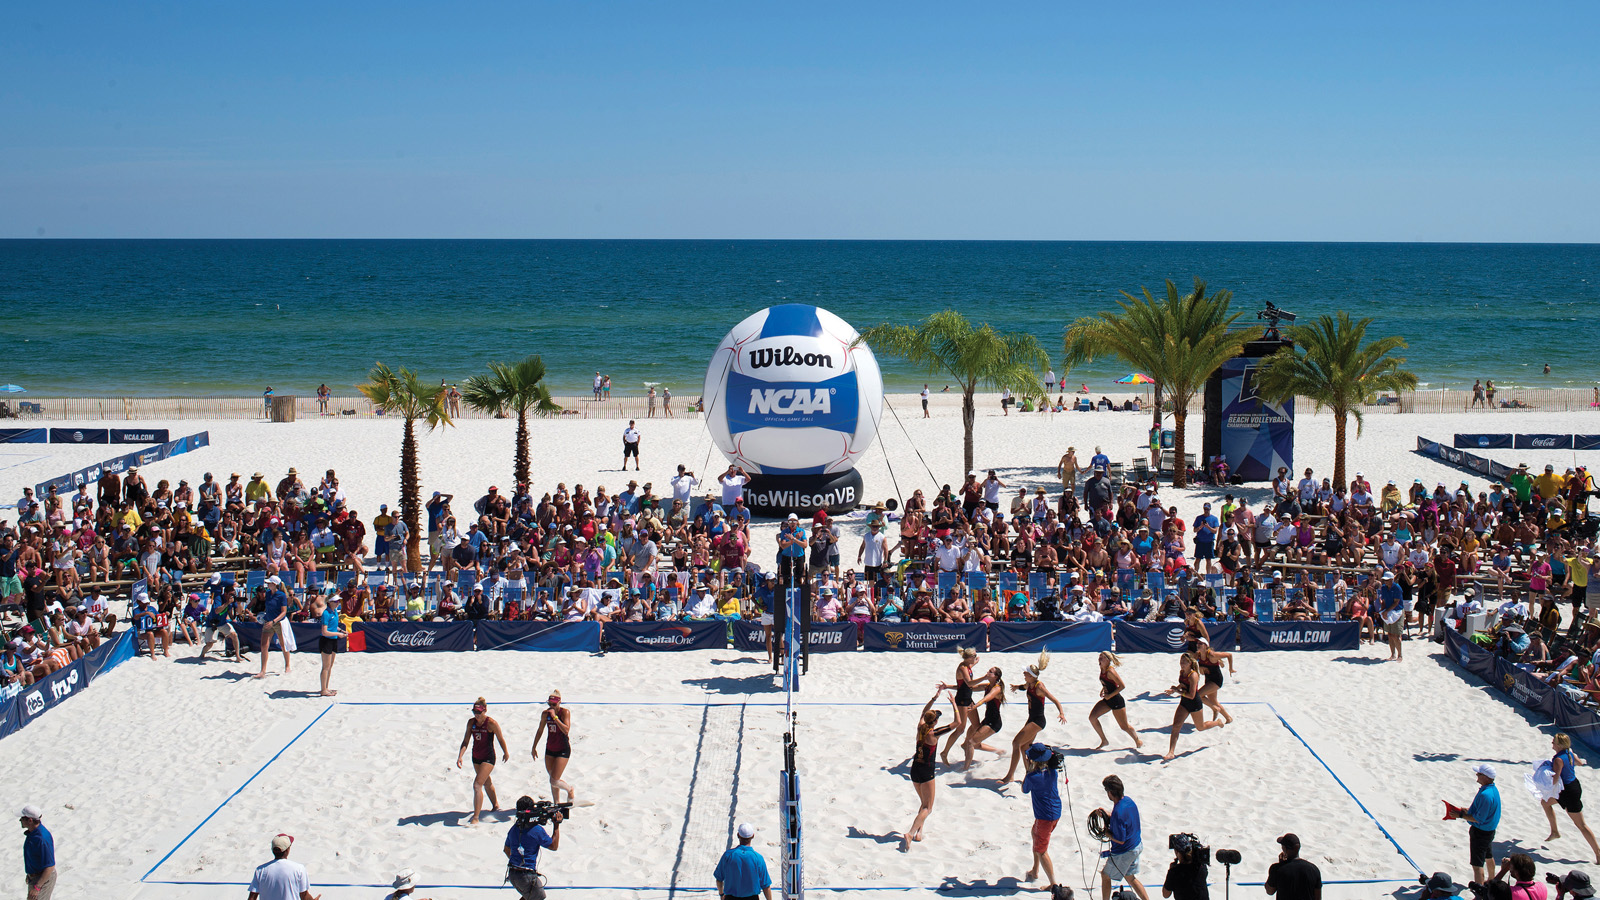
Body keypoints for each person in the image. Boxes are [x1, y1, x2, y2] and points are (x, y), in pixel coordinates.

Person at [903, 686, 958, 850]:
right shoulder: (933, 734)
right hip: (927, 772)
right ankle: (911, 833)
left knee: (923, 803)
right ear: (934, 722)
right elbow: (958, 723)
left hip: (914, 770)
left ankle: (919, 832)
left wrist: (935, 697)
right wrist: (954, 704)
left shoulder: (921, 727)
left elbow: (923, 713)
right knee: (928, 807)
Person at [1001, 652, 1067, 784]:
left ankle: (1010, 776)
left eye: (1025, 673)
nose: (1023, 674)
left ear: (1031, 676)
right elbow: (1023, 686)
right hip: (1031, 719)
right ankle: (1030, 773)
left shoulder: (1039, 687)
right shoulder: (1030, 684)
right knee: (1024, 747)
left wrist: (1061, 713)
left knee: (1016, 743)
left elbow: (1055, 700)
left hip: (1038, 721)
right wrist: (1016, 687)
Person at [1545, 734, 1600, 864]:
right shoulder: (1569, 752)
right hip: (1573, 786)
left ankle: (1598, 853)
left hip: (1568, 791)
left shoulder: (1558, 759)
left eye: (1554, 741)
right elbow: (1579, 763)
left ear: (1558, 745)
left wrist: (1543, 777)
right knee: (1545, 802)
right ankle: (1554, 831)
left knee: (1581, 825)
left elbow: (1555, 779)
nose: (1552, 743)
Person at [457, 697, 510, 825]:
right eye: (474, 712)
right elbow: (466, 741)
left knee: (477, 785)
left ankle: (476, 817)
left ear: (484, 711)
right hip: (476, 757)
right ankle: (496, 805)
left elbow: (500, 738)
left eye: (479, 712)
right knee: (486, 782)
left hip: (488, 758)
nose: (476, 715)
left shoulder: (491, 723)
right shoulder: (471, 723)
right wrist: (460, 756)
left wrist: (505, 752)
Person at [1446, 764, 1501, 885]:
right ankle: (1492, 880)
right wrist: (1466, 811)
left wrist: (1460, 815)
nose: (1476, 775)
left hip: (1480, 832)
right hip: (1489, 830)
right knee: (1488, 856)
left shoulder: (1485, 795)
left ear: (1486, 777)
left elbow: (1478, 818)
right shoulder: (1492, 789)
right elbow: (1484, 812)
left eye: (1479, 774)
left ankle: (1480, 892)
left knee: (1477, 865)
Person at [1162, 653, 1224, 761]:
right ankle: (1171, 752)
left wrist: (1178, 692)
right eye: (1181, 662)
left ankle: (1217, 722)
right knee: (1176, 726)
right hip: (1184, 703)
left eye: (1184, 662)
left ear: (1190, 663)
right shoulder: (1182, 672)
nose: (1182, 664)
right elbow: (1182, 685)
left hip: (1194, 703)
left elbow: (1191, 695)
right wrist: (1174, 689)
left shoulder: (1193, 675)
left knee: (1200, 727)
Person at [1097, 775, 1149, 900]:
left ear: (1110, 792)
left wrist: (1107, 834)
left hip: (1125, 851)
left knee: (1105, 875)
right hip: (1136, 845)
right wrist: (1107, 814)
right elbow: (1123, 819)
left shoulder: (1118, 813)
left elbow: (1120, 839)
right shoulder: (1128, 801)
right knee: (1130, 877)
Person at [1021, 743, 1063, 891]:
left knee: (1042, 850)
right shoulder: (1053, 772)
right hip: (1055, 812)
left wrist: (1028, 770)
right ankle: (1035, 870)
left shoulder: (1032, 777)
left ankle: (1053, 884)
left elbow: (1024, 789)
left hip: (1044, 817)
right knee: (1035, 834)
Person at [504, 795, 561, 900]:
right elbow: (554, 846)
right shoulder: (536, 830)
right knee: (539, 896)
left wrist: (518, 862)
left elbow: (506, 849)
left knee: (530, 896)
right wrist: (556, 825)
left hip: (513, 873)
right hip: (526, 875)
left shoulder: (514, 829)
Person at [1089, 651, 1142, 751]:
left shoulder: (1110, 671)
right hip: (1107, 700)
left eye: (1103, 657)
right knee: (1092, 717)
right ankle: (1104, 740)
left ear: (1108, 660)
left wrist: (1110, 695)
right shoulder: (1102, 668)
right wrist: (1103, 690)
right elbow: (1109, 683)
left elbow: (1122, 686)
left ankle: (1138, 741)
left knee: (1124, 726)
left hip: (1116, 701)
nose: (1100, 659)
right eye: (1100, 657)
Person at [531, 690, 576, 803]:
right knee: (551, 777)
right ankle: (557, 802)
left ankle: (570, 789)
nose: (551, 707)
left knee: (554, 780)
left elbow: (566, 730)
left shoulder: (564, 713)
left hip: (562, 749)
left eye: (554, 705)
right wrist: (534, 746)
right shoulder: (545, 714)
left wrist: (555, 717)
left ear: (559, 703)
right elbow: (540, 730)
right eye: (549, 704)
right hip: (550, 748)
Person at [961, 666, 1008, 773]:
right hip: (987, 720)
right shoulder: (987, 685)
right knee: (973, 744)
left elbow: (988, 697)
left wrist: (976, 705)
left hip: (994, 723)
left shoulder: (997, 688)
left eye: (990, 672)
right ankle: (999, 751)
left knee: (971, 743)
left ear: (996, 676)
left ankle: (966, 769)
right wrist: (949, 687)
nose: (987, 672)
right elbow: (970, 686)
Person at [247, 833, 317, 900]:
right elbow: (304, 896)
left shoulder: (260, 870)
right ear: (287, 850)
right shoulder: (299, 869)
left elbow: (252, 897)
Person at [714, 823, 773, 900]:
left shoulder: (728, 855)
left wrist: (721, 894)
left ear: (738, 835)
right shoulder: (758, 858)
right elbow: (766, 886)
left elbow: (719, 880)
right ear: (753, 836)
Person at [255, 575, 292, 679]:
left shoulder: (281, 595)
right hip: (268, 621)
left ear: (274, 584)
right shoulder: (267, 594)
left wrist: (274, 621)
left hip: (279, 622)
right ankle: (263, 671)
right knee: (264, 646)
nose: (267, 584)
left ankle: (287, 665)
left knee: (283, 645)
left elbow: (284, 612)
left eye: (269, 583)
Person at [1264, 833, 1321, 899]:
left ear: (1284, 848)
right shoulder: (1313, 869)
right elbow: (1318, 897)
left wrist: (1280, 865)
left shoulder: (1276, 869)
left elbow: (1270, 891)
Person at [19, 805, 55, 900]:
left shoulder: (42, 839)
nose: (20, 820)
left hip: (42, 879)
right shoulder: (32, 833)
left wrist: (37, 887)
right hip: (34, 877)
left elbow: (50, 867)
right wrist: (30, 874)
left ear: (30, 820)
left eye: (22, 818)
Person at [1162, 833, 1210, 900]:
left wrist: (1170, 871)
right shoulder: (1201, 867)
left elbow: (1165, 894)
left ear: (1177, 852)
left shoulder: (1175, 872)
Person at [313, 595, 341, 697]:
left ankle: (326, 687)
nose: (338, 603)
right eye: (335, 601)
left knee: (330, 666)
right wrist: (338, 634)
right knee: (325, 667)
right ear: (330, 602)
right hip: (326, 641)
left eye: (338, 601)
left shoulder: (334, 612)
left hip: (333, 640)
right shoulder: (326, 613)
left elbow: (333, 625)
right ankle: (323, 690)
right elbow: (324, 631)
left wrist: (340, 630)